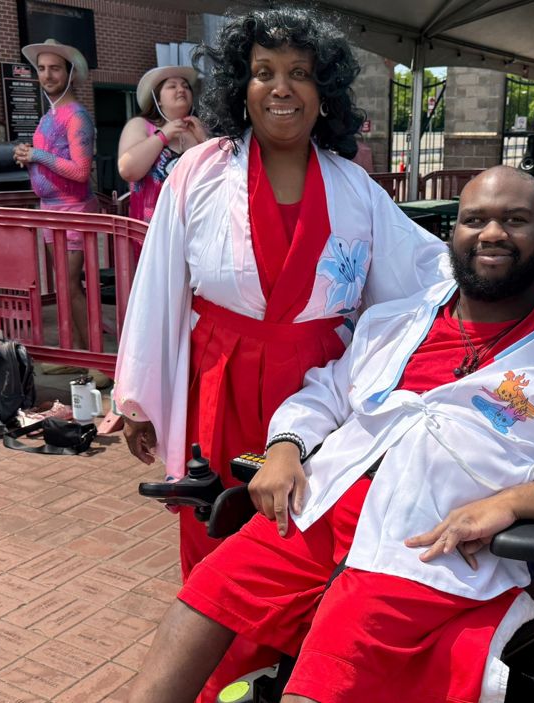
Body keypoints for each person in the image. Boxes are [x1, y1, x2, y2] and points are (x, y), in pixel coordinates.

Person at [127, 166, 534, 703]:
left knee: (320, 682)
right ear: (454, 233)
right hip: (321, 508)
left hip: (426, 546)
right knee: (205, 596)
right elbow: (326, 390)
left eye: (514, 220)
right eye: (475, 219)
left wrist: (512, 502)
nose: (491, 233)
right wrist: (285, 447)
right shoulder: (401, 319)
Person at [113, 7, 450, 700]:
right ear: (241, 86)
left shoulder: (355, 187)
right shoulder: (199, 171)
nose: (281, 88)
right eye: (264, 71)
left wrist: (517, 286)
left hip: (319, 392)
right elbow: (158, 287)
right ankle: (211, 686)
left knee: (299, 546)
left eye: (300, 73)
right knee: (218, 545)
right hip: (220, 385)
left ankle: (274, 684)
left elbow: (422, 277)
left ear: (325, 91)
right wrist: (139, 399)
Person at [14, 39, 97, 353]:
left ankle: (95, 357)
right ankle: (76, 351)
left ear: (70, 73)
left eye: (55, 69)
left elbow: (81, 171)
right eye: (42, 69)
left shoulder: (76, 116)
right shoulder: (49, 116)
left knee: (69, 285)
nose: (47, 75)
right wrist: (28, 157)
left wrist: (36, 155)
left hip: (73, 211)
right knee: (64, 286)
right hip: (51, 211)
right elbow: (49, 160)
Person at [118, 65, 209, 222]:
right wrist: (163, 135)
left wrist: (205, 140)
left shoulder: (200, 129)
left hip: (195, 224)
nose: (181, 90)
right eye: (172, 86)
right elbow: (128, 170)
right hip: (150, 227)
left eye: (185, 86)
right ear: (158, 99)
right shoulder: (140, 125)